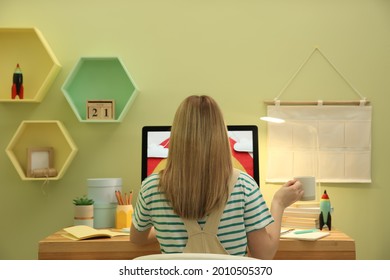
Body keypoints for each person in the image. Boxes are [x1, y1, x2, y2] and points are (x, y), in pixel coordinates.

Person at [130, 95, 303, 259]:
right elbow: (264, 255)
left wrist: (164, 228)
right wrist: (278, 203)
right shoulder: (244, 186)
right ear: (221, 135)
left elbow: (137, 239)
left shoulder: (151, 187)